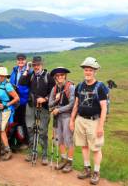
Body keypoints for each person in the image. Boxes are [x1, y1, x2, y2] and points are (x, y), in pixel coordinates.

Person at [69, 57, 107, 185]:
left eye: (90, 70)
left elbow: (104, 108)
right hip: (80, 120)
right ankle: (87, 169)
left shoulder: (100, 87)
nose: (88, 72)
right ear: (84, 71)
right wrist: (72, 120)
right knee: (84, 146)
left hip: (94, 122)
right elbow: (76, 104)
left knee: (96, 148)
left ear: (95, 71)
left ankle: (96, 172)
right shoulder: (79, 86)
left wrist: (101, 126)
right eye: (86, 70)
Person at [19, 56, 55, 165]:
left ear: (42, 65)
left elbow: (53, 93)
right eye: (34, 65)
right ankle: (31, 152)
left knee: (43, 131)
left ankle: (44, 155)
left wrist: (44, 99)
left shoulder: (48, 77)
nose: (36, 67)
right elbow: (21, 82)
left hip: (43, 108)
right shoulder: (30, 75)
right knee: (30, 128)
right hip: (31, 106)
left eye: (38, 65)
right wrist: (26, 69)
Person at [49, 67, 75, 173]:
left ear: (65, 76)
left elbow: (72, 104)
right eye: (57, 76)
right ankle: (63, 160)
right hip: (57, 117)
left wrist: (58, 110)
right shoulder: (54, 89)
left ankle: (69, 163)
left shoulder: (71, 87)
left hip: (67, 116)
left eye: (62, 75)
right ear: (55, 77)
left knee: (68, 139)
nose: (60, 77)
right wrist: (56, 99)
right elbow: (49, 103)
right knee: (59, 139)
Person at [0, 67, 19, 161]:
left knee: (1, 129)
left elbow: (16, 98)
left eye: (2, 75)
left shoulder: (8, 86)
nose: (0, 77)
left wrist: (6, 105)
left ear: (5, 76)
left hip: (6, 110)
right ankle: (4, 148)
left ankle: (8, 151)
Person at [10, 53, 32, 150]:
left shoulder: (29, 72)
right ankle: (18, 140)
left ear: (25, 60)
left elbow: (30, 86)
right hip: (15, 100)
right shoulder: (14, 70)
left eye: (22, 60)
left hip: (24, 101)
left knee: (24, 122)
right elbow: (11, 83)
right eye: (19, 60)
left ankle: (26, 142)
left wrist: (20, 90)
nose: (20, 61)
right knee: (16, 121)